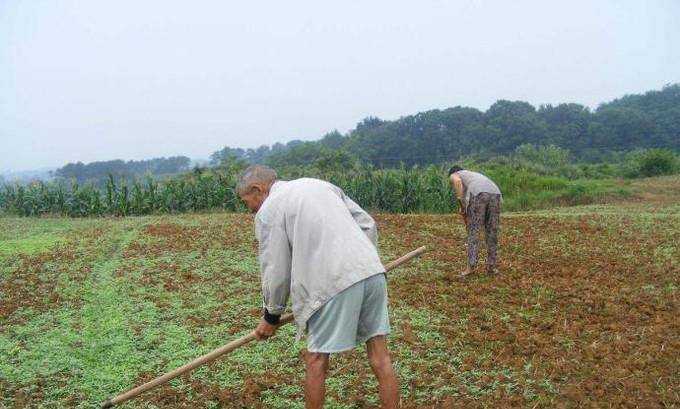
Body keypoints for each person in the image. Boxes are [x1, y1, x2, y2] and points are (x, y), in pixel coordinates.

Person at [236, 165, 400, 409]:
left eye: (246, 201)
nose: (249, 209)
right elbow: (367, 224)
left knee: (316, 360)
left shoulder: (270, 210)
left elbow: (275, 268)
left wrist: (271, 316)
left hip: (332, 283)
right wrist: (363, 264)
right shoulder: (319, 184)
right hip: (372, 272)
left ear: (257, 189)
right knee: (380, 356)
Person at [448, 166, 502, 277]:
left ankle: (470, 268)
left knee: (474, 232)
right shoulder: (472, 175)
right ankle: (491, 267)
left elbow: (457, 182)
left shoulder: (455, 174)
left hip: (479, 194)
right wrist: (465, 207)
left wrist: (462, 203)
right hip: (495, 193)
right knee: (492, 233)